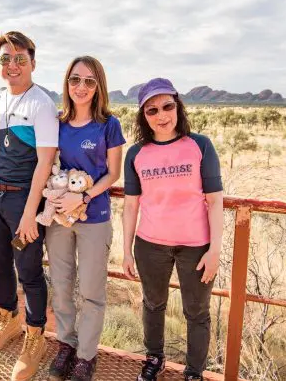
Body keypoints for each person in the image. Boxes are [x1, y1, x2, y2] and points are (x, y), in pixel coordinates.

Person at [0, 31, 58, 381]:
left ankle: (35, 337)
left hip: (22, 198)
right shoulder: (2, 97)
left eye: (20, 58)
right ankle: (9, 321)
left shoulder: (42, 104)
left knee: (29, 271)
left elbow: (45, 162)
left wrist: (31, 213)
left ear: (33, 62)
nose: (13, 65)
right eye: (6, 59)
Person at [121, 78, 224, 381]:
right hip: (150, 244)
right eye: (152, 110)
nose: (161, 115)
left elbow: (215, 201)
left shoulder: (199, 145)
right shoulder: (136, 154)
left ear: (178, 106)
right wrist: (126, 251)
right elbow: (130, 206)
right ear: (143, 115)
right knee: (153, 304)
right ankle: (154, 359)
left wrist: (215, 249)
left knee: (197, 312)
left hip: (197, 246)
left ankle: (194, 373)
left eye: (167, 106)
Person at [45, 56, 125, 381]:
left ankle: (86, 356)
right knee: (62, 286)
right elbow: (45, 166)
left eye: (89, 81)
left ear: (98, 86)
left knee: (92, 291)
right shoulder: (55, 123)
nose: (81, 87)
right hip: (60, 219)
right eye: (75, 79)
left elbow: (114, 173)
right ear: (67, 83)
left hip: (95, 217)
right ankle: (66, 344)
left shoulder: (109, 124)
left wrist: (85, 195)